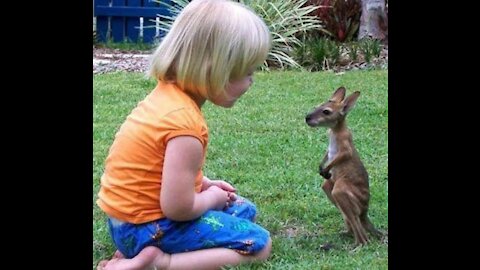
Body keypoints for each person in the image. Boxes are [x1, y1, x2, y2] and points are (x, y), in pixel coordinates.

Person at [95, 0, 272, 269]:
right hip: (148, 228)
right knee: (258, 242)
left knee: (244, 209)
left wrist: (205, 184)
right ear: (215, 69)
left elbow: (157, 173)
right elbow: (177, 208)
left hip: (125, 222)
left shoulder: (166, 98)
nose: (251, 81)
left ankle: (138, 252)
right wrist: (210, 198)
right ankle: (160, 260)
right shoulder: (185, 126)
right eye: (247, 72)